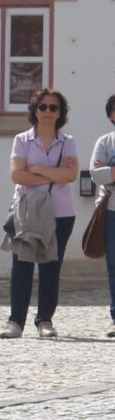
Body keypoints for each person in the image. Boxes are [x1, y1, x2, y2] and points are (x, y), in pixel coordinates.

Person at [4, 88, 79, 339]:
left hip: (60, 212)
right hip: (27, 210)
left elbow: (70, 176)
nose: (47, 112)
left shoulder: (68, 142)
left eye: (53, 107)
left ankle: (45, 321)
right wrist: (53, 171)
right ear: (35, 111)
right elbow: (17, 175)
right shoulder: (21, 140)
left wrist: (34, 168)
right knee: (22, 265)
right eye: (42, 107)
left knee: (50, 267)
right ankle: (15, 322)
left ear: (60, 113)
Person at [92, 94, 115, 337]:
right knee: (114, 266)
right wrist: (107, 172)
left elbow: (103, 172)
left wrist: (110, 170)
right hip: (111, 213)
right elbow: (96, 175)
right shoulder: (106, 142)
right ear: (111, 115)